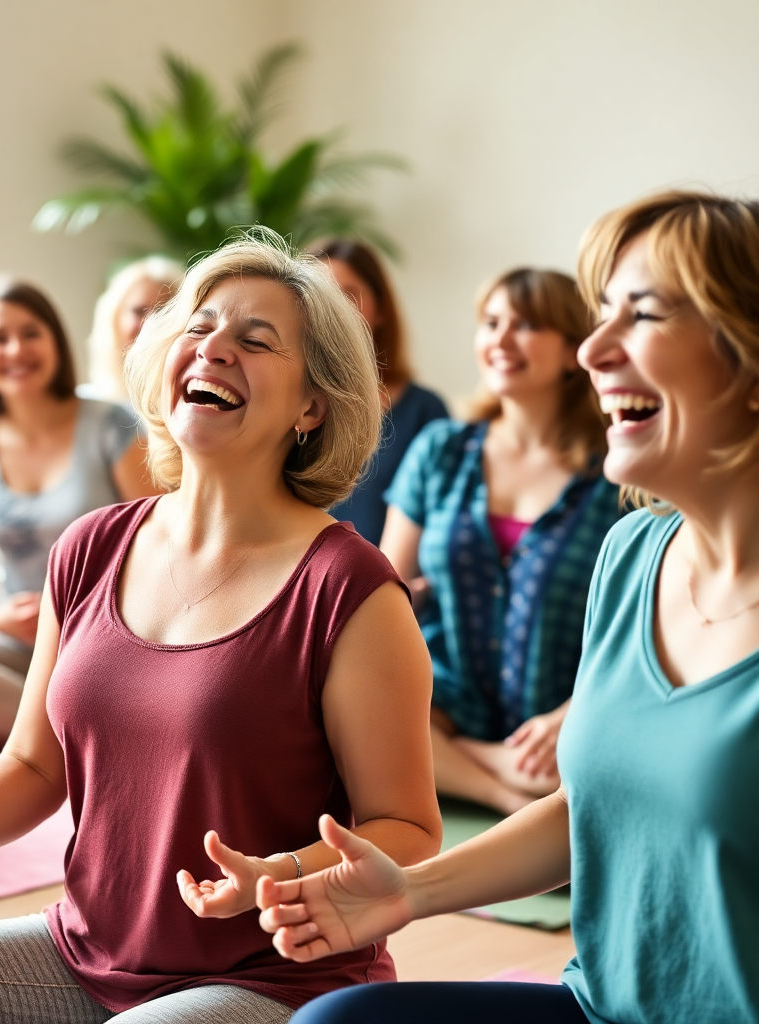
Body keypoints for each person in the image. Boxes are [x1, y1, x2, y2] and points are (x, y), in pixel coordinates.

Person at [0, 232, 442, 1023]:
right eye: (198, 329)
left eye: (255, 340)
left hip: (269, 980)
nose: (214, 350)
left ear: (312, 404)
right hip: (87, 955)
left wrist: (279, 871)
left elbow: (408, 829)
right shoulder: (92, 546)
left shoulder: (348, 589)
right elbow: (37, 765)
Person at [259, 190, 759, 1024]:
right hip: (597, 1006)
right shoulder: (633, 555)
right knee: (331, 1020)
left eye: (643, 314)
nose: (596, 349)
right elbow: (598, 807)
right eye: (601, 315)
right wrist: (406, 892)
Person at [380, 269, 621, 814]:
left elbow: (639, 625)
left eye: (528, 324)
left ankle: (464, 765)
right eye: (491, 323)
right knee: (372, 723)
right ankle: (503, 795)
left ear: (572, 350)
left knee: (580, 773)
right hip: (440, 700)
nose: (501, 340)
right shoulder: (440, 450)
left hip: (560, 714)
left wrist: (569, 714)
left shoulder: (616, 473)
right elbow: (383, 586)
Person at [0, 278, 155, 754]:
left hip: (105, 643)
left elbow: (161, 543)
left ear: (56, 341)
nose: (15, 349)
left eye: (30, 333)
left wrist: (80, 613)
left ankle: (28, 739)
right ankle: (74, 744)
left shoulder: (112, 425)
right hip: (21, 646)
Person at [311, 240, 448, 545]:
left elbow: (443, 529)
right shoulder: (282, 402)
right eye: (320, 296)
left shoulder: (425, 411)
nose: (332, 309)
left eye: (347, 295)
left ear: (382, 308)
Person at [82, 256, 184, 404]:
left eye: (162, 313)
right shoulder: (87, 404)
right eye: (139, 311)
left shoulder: (189, 407)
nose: (150, 324)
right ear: (114, 317)